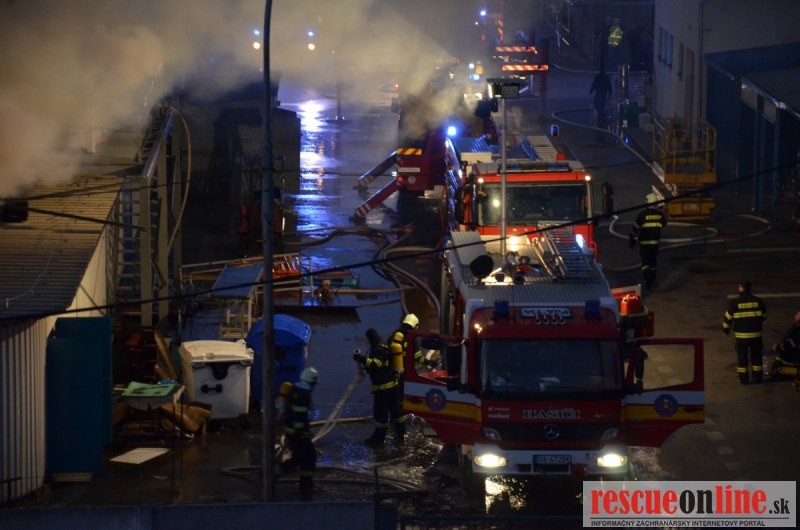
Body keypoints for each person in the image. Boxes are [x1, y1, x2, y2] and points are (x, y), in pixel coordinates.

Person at [354, 328, 406, 447]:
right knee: (397, 414)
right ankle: (401, 435)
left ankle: (378, 440)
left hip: (383, 389)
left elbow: (377, 363)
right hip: (392, 386)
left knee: (381, 415)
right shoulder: (383, 346)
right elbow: (382, 365)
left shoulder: (377, 349)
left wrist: (361, 358)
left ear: (369, 338)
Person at [277, 366, 319, 500]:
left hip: (293, 432)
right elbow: (299, 416)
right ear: (311, 382)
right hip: (297, 434)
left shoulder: (296, 389)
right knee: (301, 458)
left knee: (308, 457)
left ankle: (306, 485)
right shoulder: (303, 395)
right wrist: (302, 433)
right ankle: (272, 475)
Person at [722, 281, 767, 384]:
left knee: (742, 357)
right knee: (756, 357)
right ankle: (757, 379)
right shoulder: (758, 301)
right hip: (756, 335)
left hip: (741, 337)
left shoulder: (734, 302)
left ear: (741, 288)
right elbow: (765, 316)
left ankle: (743, 379)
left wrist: (725, 330)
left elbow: (727, 319)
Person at [629, 193, 667, 289]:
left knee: (645, 263)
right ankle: (652, 279)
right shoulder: (660, 215)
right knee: (653, 263)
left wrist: (632, 238)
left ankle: (647, 278)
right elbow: (664, 224)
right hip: (655, 244)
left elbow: (635, 227)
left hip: (644, 243)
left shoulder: (643, 215)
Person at [770, 309, 800, 378]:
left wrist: (777, 347)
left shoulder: (797, 331)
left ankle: (794, 372)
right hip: (796, 356)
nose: (795, 316)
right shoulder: (797, 327)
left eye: (798, 315)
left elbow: (789, 346)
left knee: (775, 368)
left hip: (793, 359)